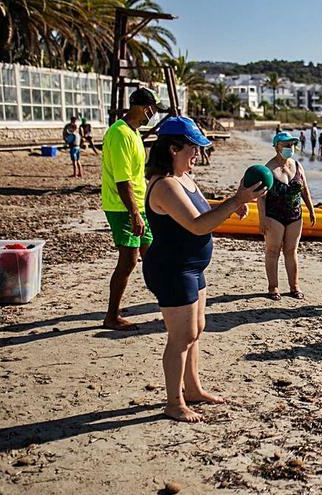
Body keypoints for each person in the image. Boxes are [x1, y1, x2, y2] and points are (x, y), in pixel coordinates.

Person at [143, 116, 266, 422]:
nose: (198, 154)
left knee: (196, 331)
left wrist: (230, 205)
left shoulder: (185, 178)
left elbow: (203, 212)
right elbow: (198, 226)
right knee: (181, 336)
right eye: (192, 148)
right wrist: (237, 198)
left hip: (193, 268)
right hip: (172, 269)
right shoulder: (165, 185)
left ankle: (193, 389)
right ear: (173, 149)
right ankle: (173, 402)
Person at [101, 88, 168, 331]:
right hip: (123, 208)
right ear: (141, 106)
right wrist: (134, 213)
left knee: (153, 258)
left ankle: (169, 308)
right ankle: (111, 315)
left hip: (139, 205)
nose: (153, 114)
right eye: (151, 109)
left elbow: (139, 173)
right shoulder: (119, 134)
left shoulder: (135, 134)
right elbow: (122, 180)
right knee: (128, 261)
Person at [259, 132, 316, 300]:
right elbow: (261, 197)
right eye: (285, 144)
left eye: (291, 144)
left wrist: (311, 210)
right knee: (273, 250)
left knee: (291, 251)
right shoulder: (268, 169)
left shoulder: (297, 166)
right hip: (274, 215)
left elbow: (304, 190)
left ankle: (294, 286)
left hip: (295, 215)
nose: (289, 147)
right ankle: (273, 287)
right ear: (277, 146)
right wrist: (262, 219)